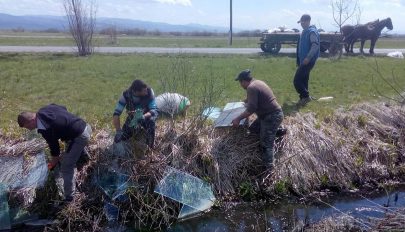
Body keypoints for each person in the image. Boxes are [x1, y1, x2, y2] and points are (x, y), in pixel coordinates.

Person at [18, 104, 92, 202]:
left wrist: (51, 166)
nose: (28, 129)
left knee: (66, 166)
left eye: (27, 127)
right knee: (68, 143)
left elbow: (55, 152)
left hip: (80, 136)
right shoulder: (44, 110)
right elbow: (63, 107)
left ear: (31, 121)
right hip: (85, 126)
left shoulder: (46, 129)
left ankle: (70, 197)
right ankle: (83, 155)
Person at [231, 69, 284, 169]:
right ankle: (277, 131)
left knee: (266, 143)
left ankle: (268, 168)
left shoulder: (251, 87)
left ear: (243, 81)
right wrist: (243, 103)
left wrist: (237, 119)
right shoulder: (257, 82)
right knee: (253, 130)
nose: (240, 85)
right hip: (269, 115)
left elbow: (251, 109)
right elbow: (250, 100)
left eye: (240, 82)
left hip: (271, 117)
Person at [113, 79, 158, 148]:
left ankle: (150, 147)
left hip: (147, 116)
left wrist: (143, 117)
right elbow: (116, 113)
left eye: (146, 90)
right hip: (133, 118)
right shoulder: (126, 95)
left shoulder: (149, 92)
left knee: (151, 123)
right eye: (144, 91)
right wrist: (118, 131)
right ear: (137, 92)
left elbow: (154, 110)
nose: (146, 92)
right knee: (123, 137)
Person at [294, 14, 320, 106]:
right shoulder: (304, 31)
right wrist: (299, 60)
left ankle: (306, 96)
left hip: (308, 60)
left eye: (303, 22)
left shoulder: (311, 32)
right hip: (303, 60)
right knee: (304, 79)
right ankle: (303, 99)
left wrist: (308, 58)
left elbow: (315, 45)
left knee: (297, 80)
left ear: (308, 21)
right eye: (301, 22)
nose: (301, 24)